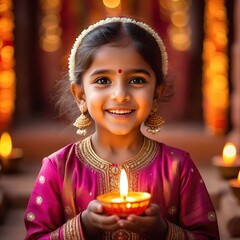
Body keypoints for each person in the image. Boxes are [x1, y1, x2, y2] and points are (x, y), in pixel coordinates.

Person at [24, 16, 220, 239]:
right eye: (103, 81)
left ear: (157, 92)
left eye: (136, 80)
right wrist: (83, 226)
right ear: (80, 95)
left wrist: (162, 231)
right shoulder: (58, 168)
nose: (120, 95)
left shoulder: (178, 167)